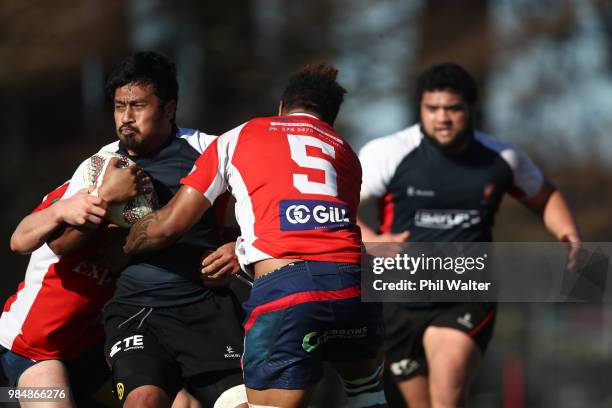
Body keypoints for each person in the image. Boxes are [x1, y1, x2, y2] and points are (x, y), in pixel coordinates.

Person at [122, 63, 388, 408]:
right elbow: (323, 230)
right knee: (366, 391)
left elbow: (168, 226)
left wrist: (125, 243)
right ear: (329, 119)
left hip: (290, 293)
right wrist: (243, 246)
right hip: (357, 288)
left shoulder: (241, 135)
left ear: (281, 108)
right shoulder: (345, 152)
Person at [357, 63, 581, 408]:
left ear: (472, 108)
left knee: (447, 395)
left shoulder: (501, 158)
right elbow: (336, 206)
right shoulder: (388, 152)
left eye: (453, 109)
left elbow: (545, 195)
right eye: (432, 109)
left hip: (466, 291)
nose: (442, 118)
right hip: (400, 299)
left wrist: (567, 231)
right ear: (421, 107)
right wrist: (371, 238)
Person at [52, 51, 246, 408]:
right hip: (135, 311)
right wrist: (101, 209)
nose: (126, 118)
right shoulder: (99, 165)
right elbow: (60, 243)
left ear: (169, 108)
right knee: (143, 401)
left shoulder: (212, 149)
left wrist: (240, 249)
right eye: (118, 106)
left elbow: (262, 211)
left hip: (206, 310)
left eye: (137, 106)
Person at [1, 165, 145, 408]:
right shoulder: (82, 188)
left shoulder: (154, 205)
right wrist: (61, 210)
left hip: (94, 352)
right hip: (32, 351)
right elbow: (18, 241)